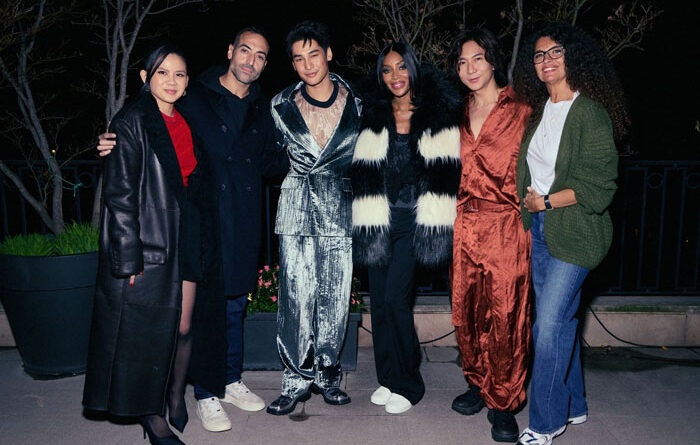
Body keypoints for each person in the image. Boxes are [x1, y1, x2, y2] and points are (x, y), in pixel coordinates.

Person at [96, 28, 289, 433]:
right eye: (245, 50)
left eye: (260, 55)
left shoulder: (263, 107)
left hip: (237, 218)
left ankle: (228, 378)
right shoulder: (194, 96)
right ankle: (204, 392)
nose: (251, 60)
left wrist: (299, 146)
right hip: (192, 221)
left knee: (233, 304)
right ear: (230, 51)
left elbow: (270, 163)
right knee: (197, 312)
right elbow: (145, 131)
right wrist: (109, 141)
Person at [83, 43, 216, 445]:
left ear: (188, 82)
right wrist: (128, 258)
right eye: (162, 72)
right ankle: (152, 416)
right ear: (145, 77)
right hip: (151, 239)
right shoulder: (132, 121)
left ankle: (175, 393)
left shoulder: (186, 119)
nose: (171, 81)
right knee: (149, 333)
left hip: (186, 232)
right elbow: (120, 196)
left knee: (184, 326)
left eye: (179, 74)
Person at [512, 22, 629, 445]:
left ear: (573, 57)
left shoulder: (590, 113)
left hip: (577, 233)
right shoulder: (539, 112)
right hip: (542, 231)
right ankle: (575, 403)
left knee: (546, 326)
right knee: (559, 322)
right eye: (539, 55)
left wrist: (543, 202)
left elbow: (599, 186)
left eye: (555, 52)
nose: (546, 61)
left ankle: (546, 422)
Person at [351, 41, 461, 414]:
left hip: (415, 222)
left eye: (401, 67)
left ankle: (409, 385)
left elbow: (447, 174)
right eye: (387, 70)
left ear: (412, 69)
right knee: (379, 303)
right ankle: (388, 377)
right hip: (377, 219)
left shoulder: (437, 113)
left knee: (396, 300)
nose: (394, 76)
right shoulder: (372, 114)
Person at [266, 20, 361, 415]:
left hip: (339, 207)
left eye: (314, 54)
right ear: (292, 64)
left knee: (335, 297)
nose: (308, 64)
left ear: (329, 54)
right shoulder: (280, 104)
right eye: (299, 58)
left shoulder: (358, 102)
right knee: (295, 297)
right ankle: (294, 381)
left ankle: (327, 375)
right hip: (296, 206)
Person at [449, 28, 532, 442]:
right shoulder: (456, 112)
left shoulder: (523, 110)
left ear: (493, 60)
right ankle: (478, 383)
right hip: (464, 224)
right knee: (466, 312)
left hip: (506, 225)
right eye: (462, 62)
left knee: (506, 316)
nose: (470, 68)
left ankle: (503, 401)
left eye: (477, 58)